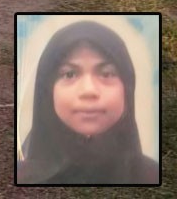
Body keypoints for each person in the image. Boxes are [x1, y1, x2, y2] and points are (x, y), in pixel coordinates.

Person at [17, 20, 160, 185]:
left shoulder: (152, 176)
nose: (89, 90)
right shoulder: (19, 178)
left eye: (106, 74)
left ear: (127, 88)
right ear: (48, 92)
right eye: (69, 74)